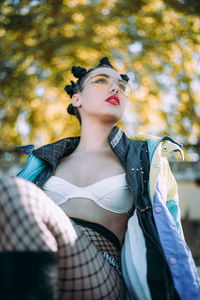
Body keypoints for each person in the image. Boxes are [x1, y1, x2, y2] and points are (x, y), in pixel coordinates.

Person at [0, 57, 199, 300]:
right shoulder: (44, 162)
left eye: (121, 85)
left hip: (102, 276)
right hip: (41, 263)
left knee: (12, 192)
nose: (115, 88)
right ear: (77, 99)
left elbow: (172, 232)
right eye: (101, 81)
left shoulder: (145, 160)